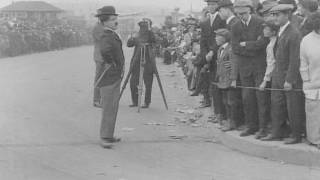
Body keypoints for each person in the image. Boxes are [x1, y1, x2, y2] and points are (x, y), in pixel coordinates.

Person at [262, 4, 305, 144]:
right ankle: (277, 132)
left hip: (288, 77)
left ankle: (296, 135)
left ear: (287, 15)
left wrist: (290, 80)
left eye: (277, 15)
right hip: (277, 75)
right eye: (273, 14)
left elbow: (295, 59)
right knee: (276, 105)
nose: (274, 17)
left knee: (293, 107)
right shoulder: (281, 31)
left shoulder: (294, 33)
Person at [231, 0, 270, 137]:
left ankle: (263, 128)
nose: (242, 16)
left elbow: (263, 43)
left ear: (250, 10)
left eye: (244, 13)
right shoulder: (235, 26)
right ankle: (251, 126)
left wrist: (245, 44)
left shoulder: (260, 23)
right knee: (248, 99)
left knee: (261, 98)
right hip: (245, 68)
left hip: (259, 67)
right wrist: (252, 46)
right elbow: (235, 48)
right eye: (239, 14)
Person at [95, 6, 125, 148]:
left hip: (113, 75)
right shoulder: (106, 35)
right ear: (104, 22)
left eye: (116, 19)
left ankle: (109, 134)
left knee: (113, 106)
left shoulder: (111, 34)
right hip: (109, 76)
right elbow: (105, 50)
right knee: (108, 106)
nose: (116, 22)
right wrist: (112, 63)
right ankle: (105, 137)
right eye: (112, 20)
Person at [215, 28, 243, 131]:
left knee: (231, 102)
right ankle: (228, 120)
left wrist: (234, 79)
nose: (216, 39)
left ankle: (233, 122)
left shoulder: (231, 49)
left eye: (218, 37)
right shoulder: (219, 49)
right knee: (225, 101)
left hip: (230, 80)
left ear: (224, 38)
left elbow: (234, 64)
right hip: (222, 80)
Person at [300, 12, 320, 148]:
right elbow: (303, 64)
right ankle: (316, 139)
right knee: (313, 114)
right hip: (313, 84)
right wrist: (307, 82)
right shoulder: (306, 40)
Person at [127, 19, 156, 109]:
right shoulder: (137, 34)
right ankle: (135, 101)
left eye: (145, 26)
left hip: (148, 61)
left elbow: (155, 41)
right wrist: (132, 38)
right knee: (133, 82)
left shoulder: (151, 34)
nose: (143, 28)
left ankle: (147, 102)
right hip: (136, 60)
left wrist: (150, 35)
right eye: (141, 26)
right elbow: (129, 44)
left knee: (148, 83)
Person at [92, 15, 105, 108]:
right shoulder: (97, 27)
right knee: (99, 78)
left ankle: (102, 99)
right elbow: (102, 40)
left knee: (104, 78)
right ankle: (96, 100)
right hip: (100, 56)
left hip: (105, 56)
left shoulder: (104, 27)